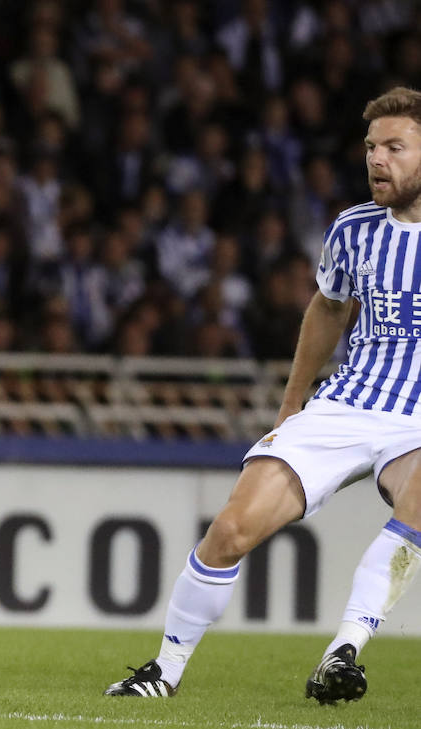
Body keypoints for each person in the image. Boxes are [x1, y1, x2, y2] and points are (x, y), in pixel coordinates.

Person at [104, 85, 421, 703]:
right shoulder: (354, 228)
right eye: (370, 147)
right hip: (349, 403)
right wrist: (292, 402)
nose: (376, 160)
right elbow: (328, 311)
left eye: (395, 147)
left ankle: (343, 652)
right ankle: (164, 671)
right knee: (231, 529)